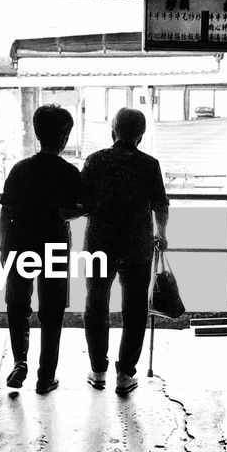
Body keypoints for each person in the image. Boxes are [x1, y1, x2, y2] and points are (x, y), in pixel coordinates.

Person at [80, 107, 169, 394]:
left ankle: (97, 371)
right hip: (137, 246)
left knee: (96, 305)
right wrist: (161, 234)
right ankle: (125, 374)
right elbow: (161, 205)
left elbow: (82, 203)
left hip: (99, 243)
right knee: (134, 310)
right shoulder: (149, 164)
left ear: (113, 131)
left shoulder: (95, 161)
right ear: (141, 136)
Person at [0, 104, 81, 394]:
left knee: (18, 305)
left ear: (37, 133)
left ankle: (20, 362)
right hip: (55, 245)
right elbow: (72, 210)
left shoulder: (20, 169)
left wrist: (3, 247)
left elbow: (5, 212)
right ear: (63, 137)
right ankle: (46, 377)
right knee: (53, 310)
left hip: (19, 244)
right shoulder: (69, 172)